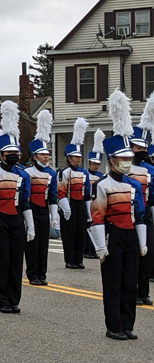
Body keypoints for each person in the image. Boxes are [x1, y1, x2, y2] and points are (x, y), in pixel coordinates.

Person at [89, 89, 148, 340]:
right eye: (122, 158)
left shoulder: (134, 185)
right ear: (112, 160)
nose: (127, 162)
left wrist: (142, 242)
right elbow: (97, 217)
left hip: (130, 236)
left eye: (129, 158)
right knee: (113, 283)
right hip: (112, 236)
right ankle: (114, 326)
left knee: (129, 282)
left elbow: (140, 215)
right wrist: (101, 247)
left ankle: (128, 325)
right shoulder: (101, 185)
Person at [0, 100, 33, 314]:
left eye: (16, 153)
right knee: (0, 260)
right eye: (8, 153)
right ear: (0, 154)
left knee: (15, 261)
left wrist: (31, 226)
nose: (13, 156)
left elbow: (26, 201)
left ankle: (14, 298)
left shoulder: (23, 175)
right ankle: (2, 299)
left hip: (16, 219)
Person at [24, 110, 58, 286]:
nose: (46, 157)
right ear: (34, 156)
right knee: (32, 243)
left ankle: (42, 273)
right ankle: (32, 273)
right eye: (43, 154)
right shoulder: (26, 173)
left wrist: (55, 216)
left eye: (47, 154)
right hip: (31, 209)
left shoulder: (51, 173)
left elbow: (53, 196)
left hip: (43, 209)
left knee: (43, 244)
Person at [127, 97, 154, 306]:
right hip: (130, 215)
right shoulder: (125, 168)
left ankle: (144, 291)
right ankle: (133, 291)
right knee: (134, 256)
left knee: (148, 253)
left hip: (147, 214)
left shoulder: (150, 169)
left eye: (143, 147)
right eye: (138, 147)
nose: (141, 151)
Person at [58, 118, 91, 269]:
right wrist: (66, 208)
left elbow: (87, 193)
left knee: (80, 233)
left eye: (79, 157)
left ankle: (79, 259)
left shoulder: (84, 173)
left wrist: (89, 211)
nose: (78, 159)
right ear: (69, 158)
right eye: (75, 157)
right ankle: (70, 259)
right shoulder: (64, 173)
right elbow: (60, 192)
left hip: (81, 205)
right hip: (69, 204)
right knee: (69, 234)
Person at [84, 129, 106, 259]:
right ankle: (87, 249)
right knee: (88, 227)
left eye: (98, 164)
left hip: (98, 204)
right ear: (89, 164)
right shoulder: (85, 175)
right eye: (93, 164)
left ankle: (94, 249)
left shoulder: (102, 176)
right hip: (88, 203)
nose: (96, 166)